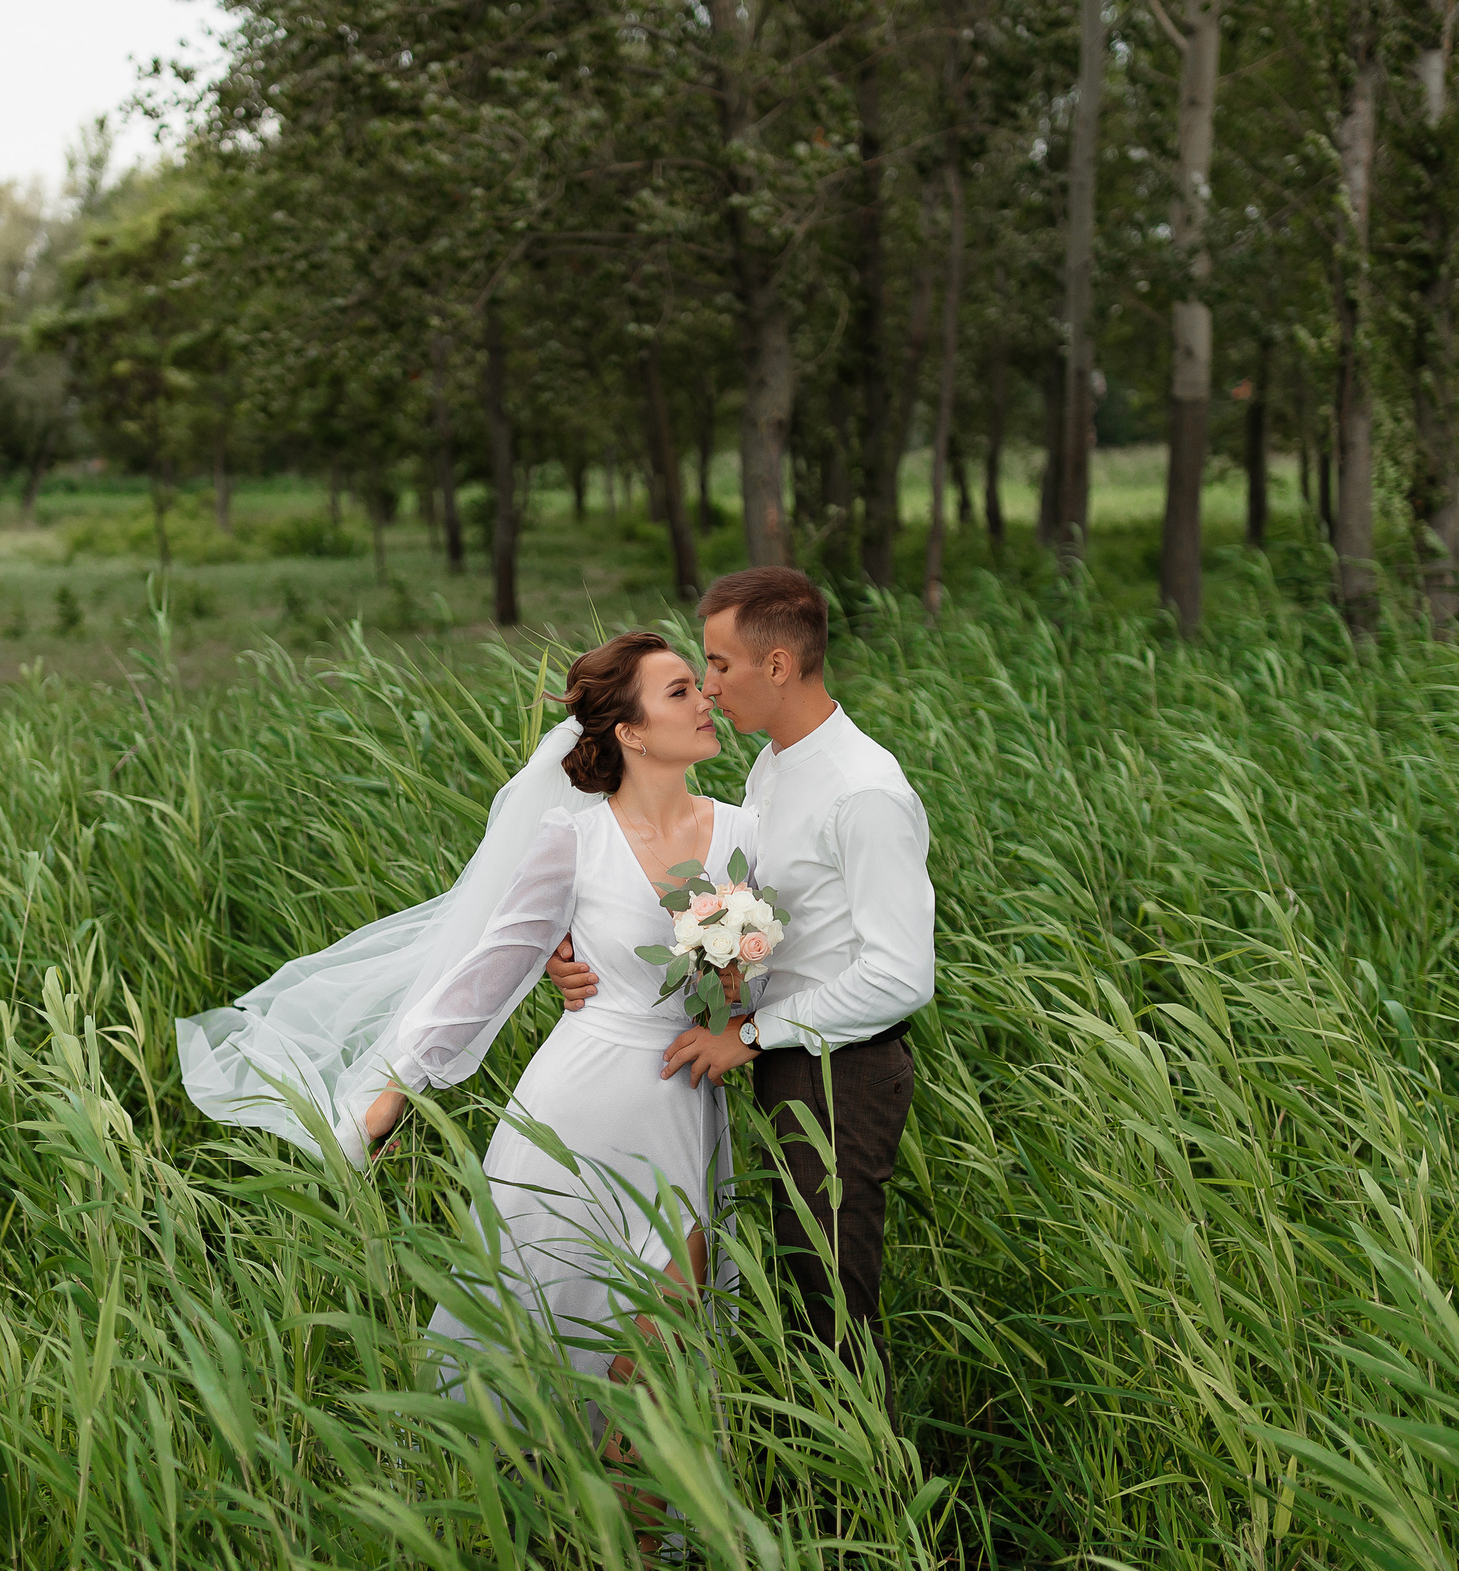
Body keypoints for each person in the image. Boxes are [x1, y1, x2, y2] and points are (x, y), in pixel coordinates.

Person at [176, 630, 756, 1389]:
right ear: (631, 732)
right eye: (679, 690)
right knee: (540, 1354)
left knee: (658, 1367)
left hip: (684, 1112)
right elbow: (488, 969)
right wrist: (395, 1091)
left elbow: (796, 962)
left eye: (697, 684)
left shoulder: (745, 831)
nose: (706, 698)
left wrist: (742, 1015)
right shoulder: (575, 840)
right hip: (573, 1116)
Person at [546, 566, 935, 1383]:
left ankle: (869, 1465)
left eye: (720, 664)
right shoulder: (773, 767)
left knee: (835, 1311)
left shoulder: (864, 791)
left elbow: (901, 976)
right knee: (805, 1292)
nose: (710, 686)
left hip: (845, 1072)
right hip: (789, 1058)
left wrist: (752, 1031)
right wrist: (582, 943)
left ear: (779, 665)